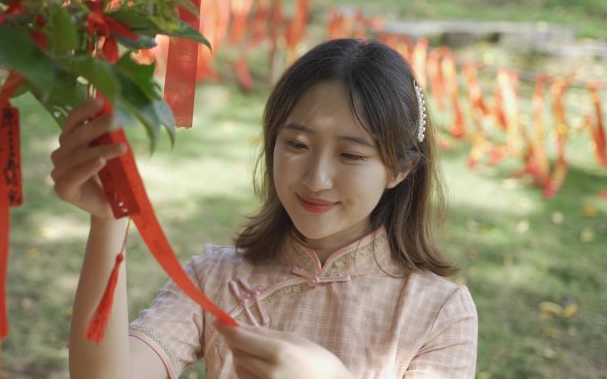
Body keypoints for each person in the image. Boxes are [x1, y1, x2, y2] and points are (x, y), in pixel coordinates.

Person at [50, 38, 478, 379]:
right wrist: (110, 221)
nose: (315, 178)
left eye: (350, 155)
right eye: (296, 144)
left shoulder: (437, 310)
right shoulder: (215, 278)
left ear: (400, 168)